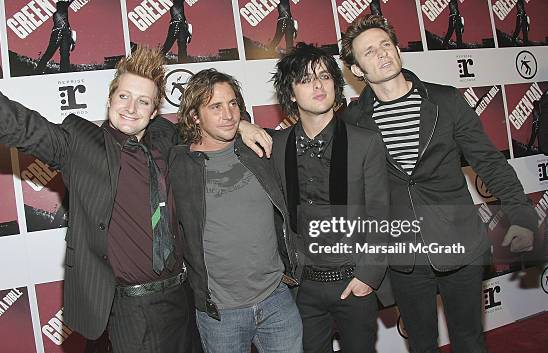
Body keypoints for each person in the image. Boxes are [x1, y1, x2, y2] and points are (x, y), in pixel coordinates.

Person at [0, 21, 269, 352]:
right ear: (110, 99)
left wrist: (240, 124)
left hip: (183, 302)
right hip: (128, 311)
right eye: (124, 96)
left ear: (154, 111)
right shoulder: (79, 144)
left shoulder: (167, 138)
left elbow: (208, 122)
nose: (131, 107)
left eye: (143, 101)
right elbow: (14, 124)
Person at [340, 14, 537, 353]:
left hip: (459, 243)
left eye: (386, 44)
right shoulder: (353, 121)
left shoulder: (444, 100)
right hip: (404, 254)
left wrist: (521, 216)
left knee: (470, 341)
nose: (383, 54)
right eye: (369, 51)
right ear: (356, 68)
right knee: (421, 344)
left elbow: (489, 162)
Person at [169, 68, 303, 353]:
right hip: (220, 313)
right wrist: (243, 125)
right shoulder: (179, 165)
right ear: (195, 116)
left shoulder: (259, 149)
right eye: (215, 106)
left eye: (232, 104)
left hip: (276, 298)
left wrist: (244, 126)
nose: (228, 114)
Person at [270, 42, 391, 353]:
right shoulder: (275, 145)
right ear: (290, 93)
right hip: (302, 285)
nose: (318, 85)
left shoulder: (366, 143)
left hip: (354, 281)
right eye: (306, 79)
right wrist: (243, 125)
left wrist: (368, 275)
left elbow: (381, 215)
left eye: (324, 76)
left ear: (336, 86)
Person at [35, 0, 74, 74]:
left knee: (63, 54)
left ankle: (64, 72)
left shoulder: (59, 12)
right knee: (53, 53)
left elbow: (68, 3)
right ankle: (38, 70)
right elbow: (68, 3)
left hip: (63, 33)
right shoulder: (58, 13)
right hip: (59, 33)